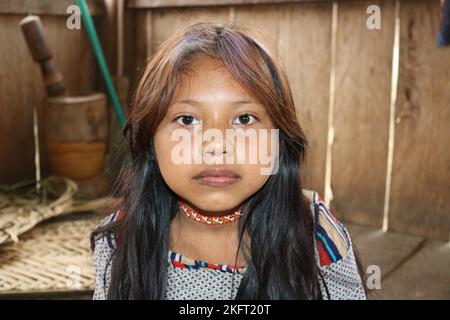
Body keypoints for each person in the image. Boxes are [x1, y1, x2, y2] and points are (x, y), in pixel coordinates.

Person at [91, 22, 367, 300]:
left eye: (244, 119)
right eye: (187, 120)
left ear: (278, 141)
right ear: (149, 141)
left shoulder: (315, 234)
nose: (217, 145)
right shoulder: (119, 241)